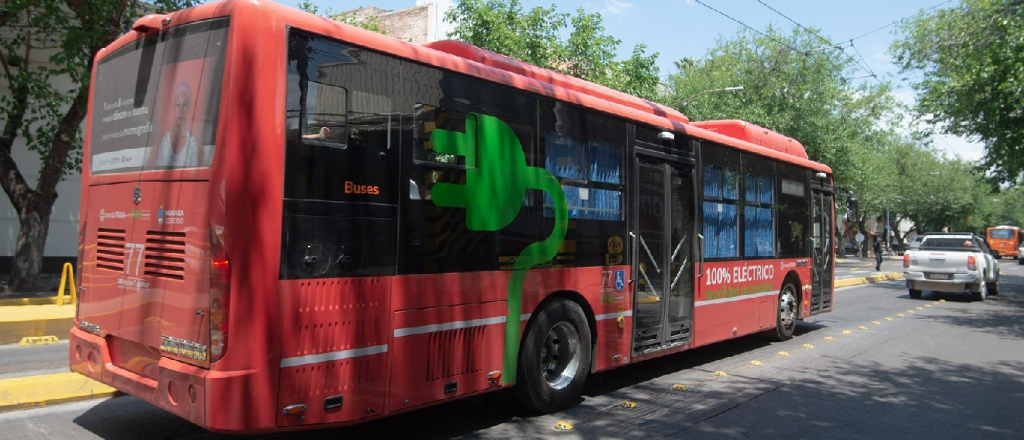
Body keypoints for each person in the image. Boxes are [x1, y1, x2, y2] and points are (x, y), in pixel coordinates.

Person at [150, 81, 203, 168]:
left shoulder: (192, 145)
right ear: (174, 108)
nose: (180, 110)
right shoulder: (165, 142)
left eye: (184, 105)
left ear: (188, 108)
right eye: (178, 105)